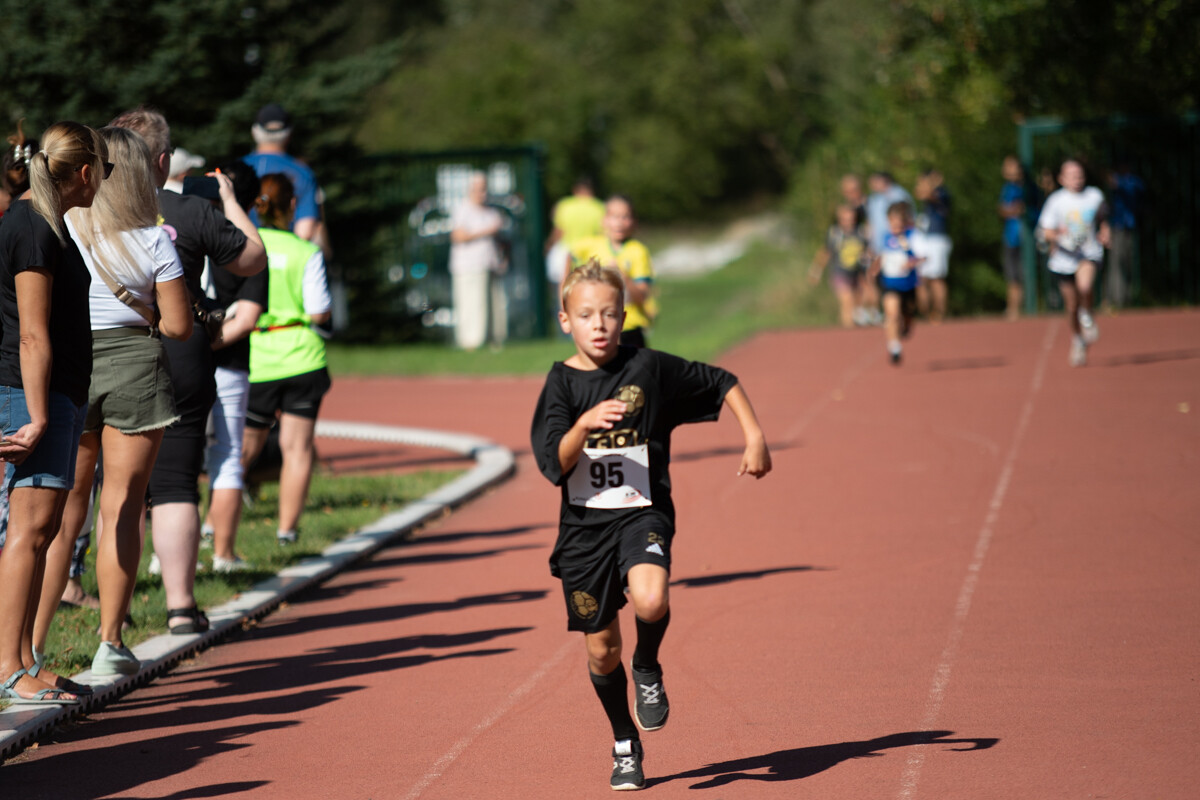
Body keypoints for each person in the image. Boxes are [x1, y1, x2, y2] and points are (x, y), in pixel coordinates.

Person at [531, 261, 772, 790]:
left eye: (611, 314)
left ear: (624, 317)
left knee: (651, 600)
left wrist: (753, 436)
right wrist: (584, 425)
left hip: (643, 513)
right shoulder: (561, 384)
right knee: (599, 649)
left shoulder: (649, 369)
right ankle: (624, 742)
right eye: (587, 315)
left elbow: (722, 381)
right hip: (583, 532)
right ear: (565, 320)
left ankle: (647, 666)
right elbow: (553, 464)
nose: (600, 325)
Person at [31, 127, 193, 677]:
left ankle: (30, 644)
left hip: (72, 367)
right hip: (135, 371)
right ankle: (110, 642)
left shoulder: (63, 227)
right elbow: (177, 326)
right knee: (121, 505)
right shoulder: (153, 239)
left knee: (58, 512)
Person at [111, 107, 266, 634]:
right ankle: (180, 606)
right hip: (181, 350)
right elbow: (252, 259)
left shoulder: (85, 212)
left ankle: (116, 613)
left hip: (110, 351)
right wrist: (229, 202)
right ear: (162, 160)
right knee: (175, 481)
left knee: (119, 487)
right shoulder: (187, 212)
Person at [0, 121, 106, 705]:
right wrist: (37, 416)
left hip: (55, 394)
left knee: (42, 532)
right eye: (105, 171)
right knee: (29, 529)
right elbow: (32, 337)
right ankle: (9, 670)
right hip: (31, 394)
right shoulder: (33, 230)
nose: (105, 183)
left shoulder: (48, 225)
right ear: (85, 173)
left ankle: (23, 661)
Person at [241, 173, 332, 547]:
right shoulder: (305, 251)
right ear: (293, 206)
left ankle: (214, 525)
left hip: (258, 357)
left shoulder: (246, 248)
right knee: (297, 449)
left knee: (241, 450)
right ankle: (287, 532)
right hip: (302, 357)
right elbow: (319, 312)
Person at [201, 163, 267, 572]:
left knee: (173, 461)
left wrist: (190, 344)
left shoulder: (183, 227)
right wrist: (210, 344)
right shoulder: (249, 247)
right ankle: (223, 554)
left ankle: (161, 559)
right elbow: (245, 318)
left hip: (180, 358)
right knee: (225, 456)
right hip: (227, 362)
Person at [1036, 159, 1107, 367]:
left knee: (1085, 286)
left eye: (1079, 175)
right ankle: (1078, 339)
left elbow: (1103, 218)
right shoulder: (1056, 201)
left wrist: (1104, 231)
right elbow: (1045, 231)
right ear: (1062, 179)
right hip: (1064, 259)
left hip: (1087, 253)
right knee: (1071, 306)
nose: (1076, 179)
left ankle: (1088, 314)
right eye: (1072, 175)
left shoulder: (1094, 196)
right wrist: (1059, 237)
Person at [569, 195, 657, 348]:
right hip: (599, 329)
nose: (619, 223)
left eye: (625, 217)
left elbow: (642, 295)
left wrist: (623, 277)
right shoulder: (590, 246)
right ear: (604, 220)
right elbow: (569, 258)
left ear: (634, 221)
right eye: (614, 217)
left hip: (630, 327)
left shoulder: (638, 251)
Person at [243, 103, 327, 252]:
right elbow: (305, 232)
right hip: (286, 260)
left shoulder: (235, 169)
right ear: (288, 133)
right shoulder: (302, 173)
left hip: (240, 259)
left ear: (255, 132)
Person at [448, 171, 507, 350]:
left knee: (494, 306)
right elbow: (457, 236)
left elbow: (501, 240)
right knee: (472, 306)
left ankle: (494, 340)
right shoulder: (462, 210)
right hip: (468, 266)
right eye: (478, 189)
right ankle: (471, 343)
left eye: (484, 189)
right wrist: (487, 230)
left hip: (490, 265)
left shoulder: (491, 212)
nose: (482, 193)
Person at [870, 202, 923, 365]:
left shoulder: (913, 236)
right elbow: (879, 256)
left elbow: (925, 255)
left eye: (899, 222)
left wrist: (912, 262)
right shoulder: (884, 237)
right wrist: (874, 267)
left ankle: (906, 324)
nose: (895, 226)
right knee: (891, 314)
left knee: (907, 316)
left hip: (908, 284)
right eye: (892, 222)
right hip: (890, 283)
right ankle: (894, 348)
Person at [808, 203, 870, 328]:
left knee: (860, 304)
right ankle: (849, 334)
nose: (848, 222)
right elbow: (825, 252)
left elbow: (867, 252)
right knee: (847, 301)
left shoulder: (861, 232)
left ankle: (852, 328)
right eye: (845, 219)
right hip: (839, 273)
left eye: (851, 219)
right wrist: (815, 271)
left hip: (857, 274)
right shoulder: (835, 233)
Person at [545, 176, 605, 285]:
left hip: (565, 250)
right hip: (591, 253)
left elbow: (558, 231)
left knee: (563, 286)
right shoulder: (600, 207)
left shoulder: (564, 205)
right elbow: (603, 234)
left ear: (575, 189)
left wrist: (549, 245)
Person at [1103, 161, 1144, 309]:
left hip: (1128, 226)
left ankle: (1126, 298)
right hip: (1117, 227)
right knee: (1116, 263)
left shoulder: (1133, 181)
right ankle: (1116, 298)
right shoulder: (1119, 180)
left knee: (1127, 263)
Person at [913, 169, 951, 324]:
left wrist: (928, 184)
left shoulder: (942, 193)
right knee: (921, 278)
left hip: (937, 239)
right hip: (924, 239)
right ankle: (926, 313)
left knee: (936, 278)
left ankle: (939, 313)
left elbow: (924, 193)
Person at [998, 156, 1029, 320]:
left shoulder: (1027, 188)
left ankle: (1022, 308)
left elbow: (1025, 208)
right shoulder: (1007, 188)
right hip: (1010, 237)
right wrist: (1012, 210)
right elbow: (1002, 209)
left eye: (1010, 167)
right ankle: (1012, 309)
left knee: (1023, 273)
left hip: (1025, 237)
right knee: (1012, 275)